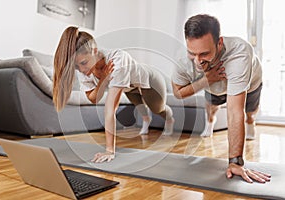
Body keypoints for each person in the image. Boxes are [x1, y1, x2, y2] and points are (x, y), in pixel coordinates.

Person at [172, 14, 271, 183]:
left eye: (204, 53)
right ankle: (210, 124)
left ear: (219, 43)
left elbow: (234, 111)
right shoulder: (183, 59)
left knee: (250, 113)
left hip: (250, 82)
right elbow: (178, 93)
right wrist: (206, 80)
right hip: (214, 83)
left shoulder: (240, 53)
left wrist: (235, 162)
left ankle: (251, 122)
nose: (197, 61)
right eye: (192, 53)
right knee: (211, 107)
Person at [53, 26, 174, 163]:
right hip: (129, 87)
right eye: (77, 67)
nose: (82, 70)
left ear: (95, 51)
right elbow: (93, 98)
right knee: (140, 107)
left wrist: (109, 151)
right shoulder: (84, 69)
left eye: (83, 63)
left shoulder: (117, 60)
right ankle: (146, 120)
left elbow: (110, 109)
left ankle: (170, 118)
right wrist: (103, 80)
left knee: (157, 109)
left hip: (150, 80)